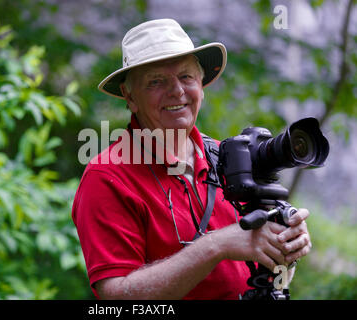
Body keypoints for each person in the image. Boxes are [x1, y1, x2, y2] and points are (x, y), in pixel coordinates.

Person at [72, 19, 312, 300]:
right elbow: (117, 298)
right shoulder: (108, 175)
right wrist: (215, 246)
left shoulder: (228, 157)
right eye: (156, 81)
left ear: (201, 84)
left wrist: (285, 245)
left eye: (186, 77)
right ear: (130, 96)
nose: (176, 90)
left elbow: (267, 271)